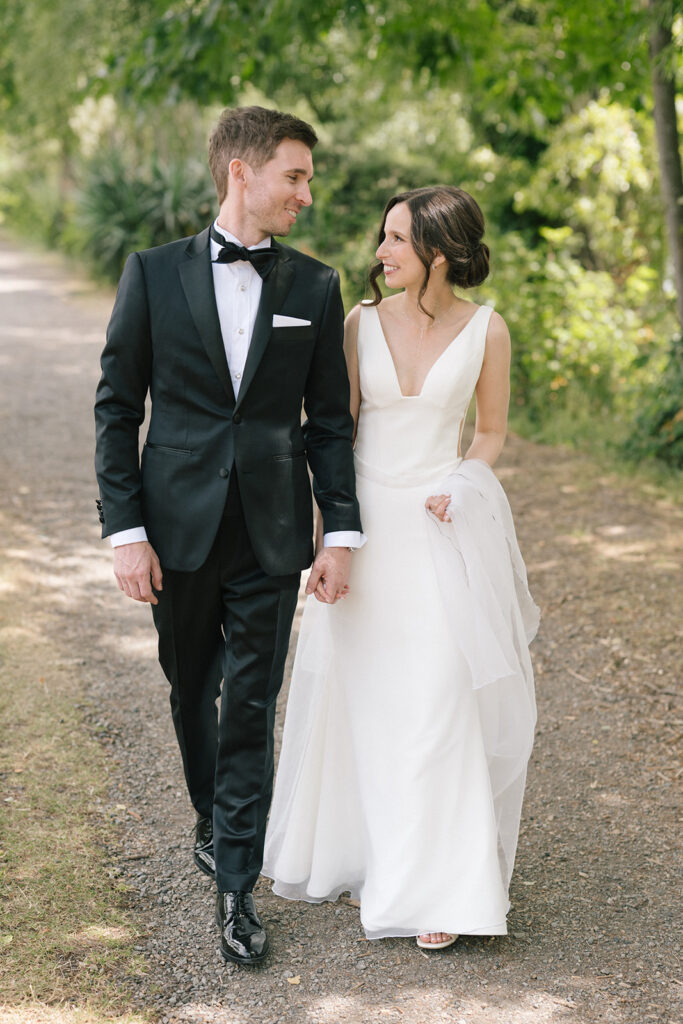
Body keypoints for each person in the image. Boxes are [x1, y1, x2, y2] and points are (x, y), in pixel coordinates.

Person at [94, 105, 363, 965]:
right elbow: (115, 410)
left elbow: (327, 423)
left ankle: (236, 888)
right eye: (295, 175)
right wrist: (125, 531)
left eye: (308, 178)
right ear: (240, 172)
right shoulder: (152, 273)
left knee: (249, 704)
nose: (306, 194)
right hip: (173, 529)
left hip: (274, 533)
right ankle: (213, 818)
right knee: (189, 689)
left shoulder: (315, 287)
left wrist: (342, 532)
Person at [263, 186, 538, 949]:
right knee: (367, 697)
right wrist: (329, 540)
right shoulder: (357, 323)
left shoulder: (489, 329)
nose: (379, 253)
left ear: (438, 254)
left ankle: (436, 887)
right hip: (366, 532)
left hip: (439, 529)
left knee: (438, 699)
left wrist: (462, 479)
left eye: (394, 240)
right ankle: (369, 851)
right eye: (382, 238)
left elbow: (488, 432)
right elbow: (336, 433)